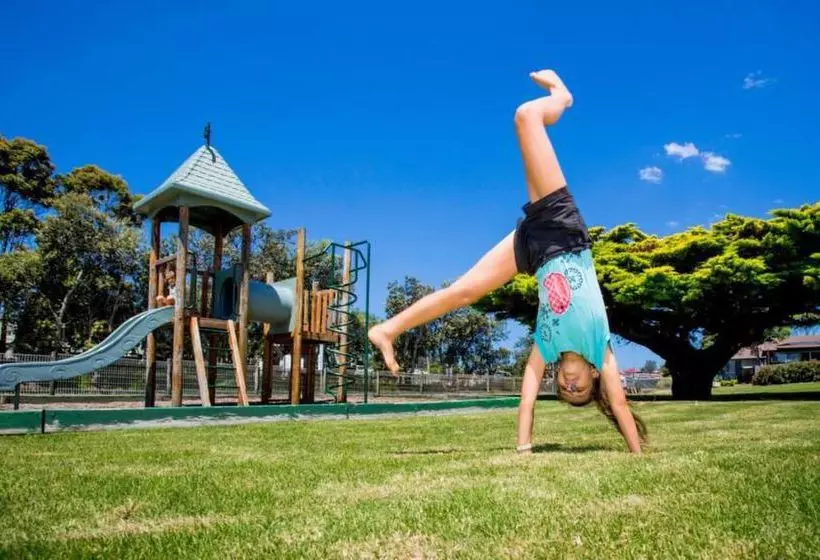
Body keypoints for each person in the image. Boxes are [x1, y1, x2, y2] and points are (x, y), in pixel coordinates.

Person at [368, 70, 647, 453]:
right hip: (563, 234)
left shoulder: (546, 347)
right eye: (580, 388)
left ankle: (388, 330)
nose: (569, 386)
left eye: (566, 392)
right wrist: (636, 452)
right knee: (526, 116)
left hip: (533, 252)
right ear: (595, 374)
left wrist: (523, 449)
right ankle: (563, 96)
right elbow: (618, 403)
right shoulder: (600, 348)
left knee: (463, 292)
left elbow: (527, 398)